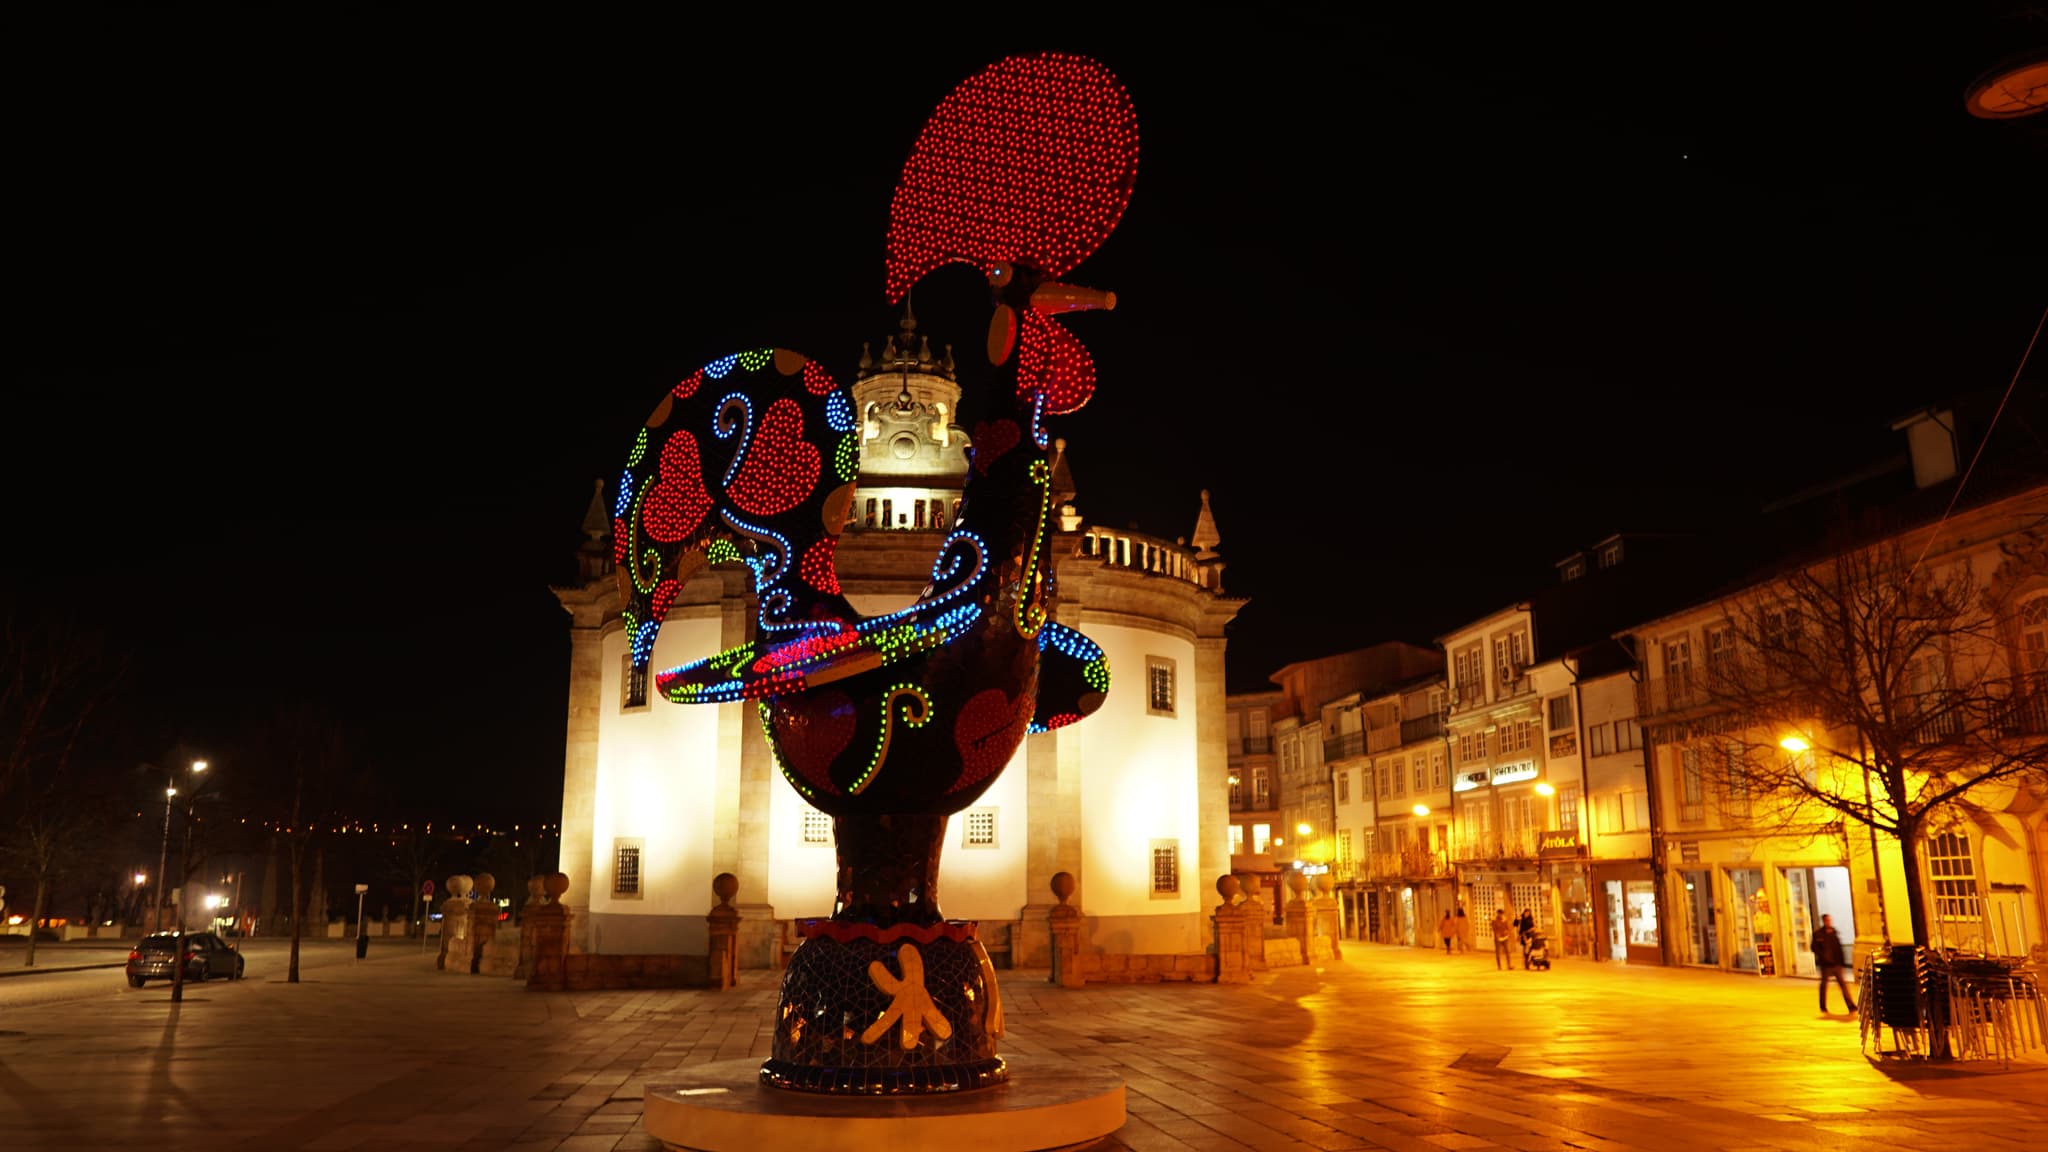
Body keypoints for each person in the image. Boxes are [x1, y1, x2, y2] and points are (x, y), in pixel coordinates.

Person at [1812, 913, 1856, 1014]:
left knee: (1843, 985)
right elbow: (1814, 947)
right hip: (1826, 965)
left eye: (1830, 920)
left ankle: (1851, 1006)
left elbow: (1838, 948)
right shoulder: (1818, 934)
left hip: (1836, 963)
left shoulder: (1834, 932)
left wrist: (1842, 962)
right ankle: (1823, 1006)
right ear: (1824, 921)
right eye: (1827, 920)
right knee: (1824, 986)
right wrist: (1823, 956)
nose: (1829, 922)